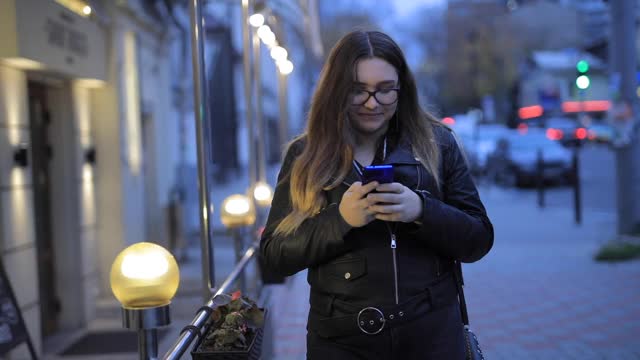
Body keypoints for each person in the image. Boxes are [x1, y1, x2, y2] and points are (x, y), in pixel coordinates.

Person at [260, 30, 494, 359]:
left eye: (385, 90)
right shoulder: (305, 155)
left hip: (433, 335)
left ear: (402, 89)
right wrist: (340, 219)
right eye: (358, 91)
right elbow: (273, 258)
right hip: (341, 342)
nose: (372, 103)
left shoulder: (437, 144)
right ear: (336, 90)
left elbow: (479, 239)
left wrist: (422, 210)